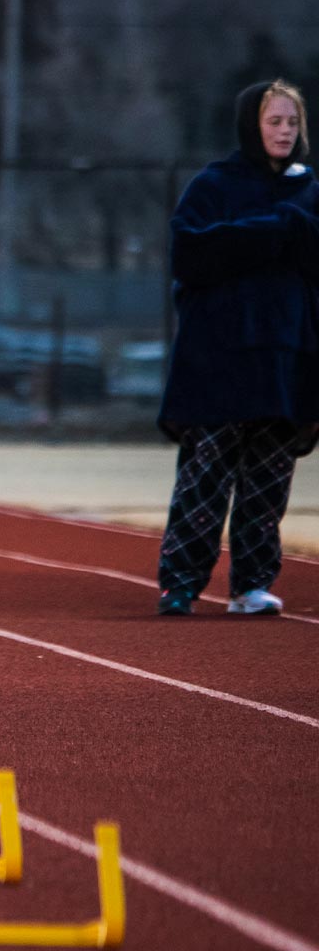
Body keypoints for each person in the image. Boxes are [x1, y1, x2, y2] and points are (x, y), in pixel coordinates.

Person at [155, 79, 319, 616]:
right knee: (205, 475)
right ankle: (180, 582)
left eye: (292, 123)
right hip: (220, 355)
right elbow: (192, 252)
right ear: (252, 124)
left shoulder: (308, 188)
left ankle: (252, 584)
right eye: (274, 122)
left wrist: (275, 234)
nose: (284, 132)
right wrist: (281, 230)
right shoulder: (214, 185)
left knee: (268, 480)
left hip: (284, 354)